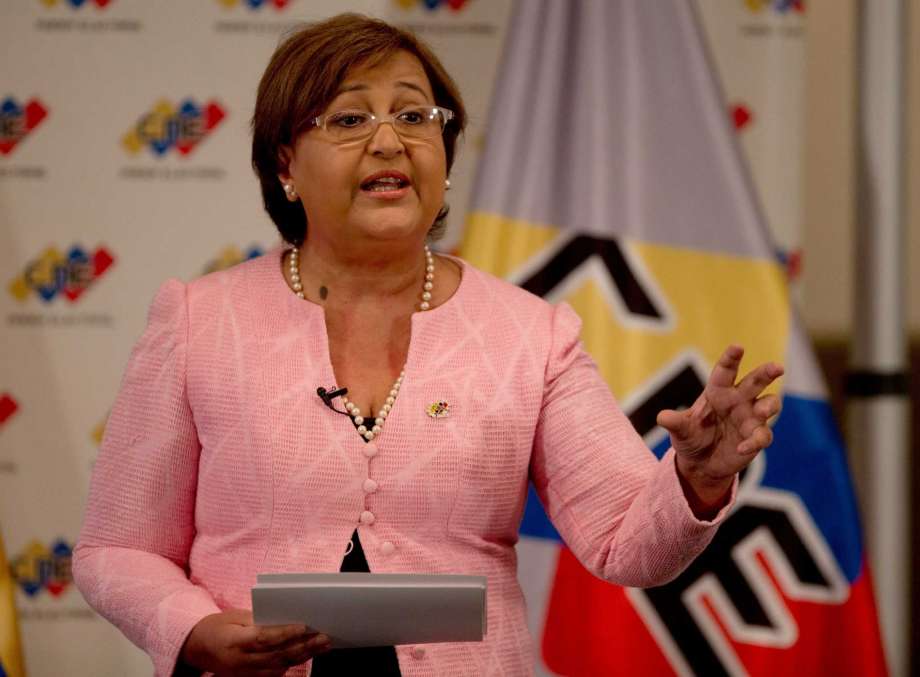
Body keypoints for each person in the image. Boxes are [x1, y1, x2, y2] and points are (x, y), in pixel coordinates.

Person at [73, 13, 783, 677]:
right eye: (350, 119)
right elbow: (116, 549)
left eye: (415, 116)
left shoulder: (529, 334)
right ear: (285, 163)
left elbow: (625, 541)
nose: (390, 141)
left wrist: (696, 478)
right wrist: (195, 627)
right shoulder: (200, 318)